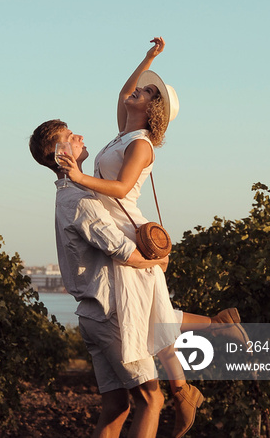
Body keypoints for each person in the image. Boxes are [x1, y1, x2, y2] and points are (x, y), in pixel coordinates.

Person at [56, 38, 249, 438]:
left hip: (126, 230)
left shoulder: (141, 145)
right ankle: (191, 377)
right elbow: (123, 91)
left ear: (152, 108)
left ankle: (189, 377)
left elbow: (123, 188)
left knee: (151, 319)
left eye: (145, 91)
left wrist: (77, 177)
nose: (135, 91)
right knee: (153, 318)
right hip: (113, 231)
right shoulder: (119, 139)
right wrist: (149, 58)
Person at [29, 119, 169, 438]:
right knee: (152, 399)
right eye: (69, 137)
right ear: (59, 154)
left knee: (116, 406)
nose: (79, 136)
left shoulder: (73, 193)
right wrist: (158, 260)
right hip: (110, 316)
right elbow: (121, 250)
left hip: (94, 316)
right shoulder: (81, 200)